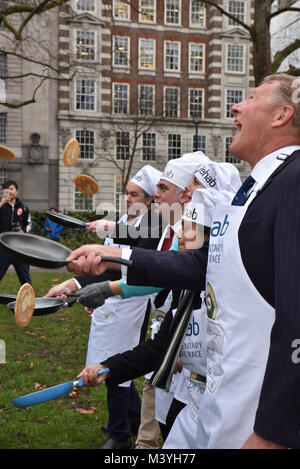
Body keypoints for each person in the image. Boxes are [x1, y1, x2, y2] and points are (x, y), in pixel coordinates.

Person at [67, 74, 300, 449]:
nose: (235, 106)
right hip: (211, 400)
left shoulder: (292, 180)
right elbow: (199, 267)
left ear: (282, 115)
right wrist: (117, 255)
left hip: (253, 411)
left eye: (251, 98)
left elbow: (296, 315)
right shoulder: (255, 187)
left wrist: (276, 430)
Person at [74, 160, 241, 448]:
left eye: (166, 189)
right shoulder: (188, 276)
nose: (158, 196)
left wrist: (111, 257)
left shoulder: (233, 280)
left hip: (228, 411)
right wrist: (107, 368)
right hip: (188, 396)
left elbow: (172, 265)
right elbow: (161, 344)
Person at [0, 180, 31, 285]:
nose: (9, 191)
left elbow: (29, 223)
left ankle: (29, 300)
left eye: (11, 189)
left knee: (25, 280)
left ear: (16, 191)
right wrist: (1, 203)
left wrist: (24, 231)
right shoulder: (1, 205)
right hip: (3, 247)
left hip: (19, 248)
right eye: (7, 189)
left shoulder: (23, 207)